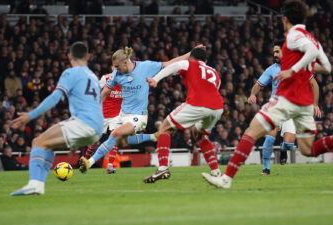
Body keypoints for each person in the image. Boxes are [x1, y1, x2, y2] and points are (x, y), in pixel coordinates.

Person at [202, 0, 332, 189]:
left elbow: (309, 54)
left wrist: (292, 70)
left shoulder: (294, 35)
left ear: (285, 19)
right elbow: (327, 67)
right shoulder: (312, 39)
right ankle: (258, 169)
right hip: (303, 103)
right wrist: (305, 67)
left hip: (287, 98)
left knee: (251, 132)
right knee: (308, 149)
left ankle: (226, 179)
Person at [79, 46, 202, 173]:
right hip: (122, 114)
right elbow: (104, 92)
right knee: (119, 141)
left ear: (125, 62)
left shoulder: (146, 67)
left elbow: (169, 63)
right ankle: (153, 137)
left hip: (138, 115)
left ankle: (89, 162)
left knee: (114, 134)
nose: (114, 69)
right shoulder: (116, 74)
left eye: (116, 66)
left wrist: (191, 53)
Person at [10, 42, 103, 195]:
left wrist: (30, 116)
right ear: (88, 57)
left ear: (69, 56)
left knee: (38, 142)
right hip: (96, 127)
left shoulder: (70, 73)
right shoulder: (93, 77)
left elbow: (55, 98)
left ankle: (35, 184)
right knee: (47, 145)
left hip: (84, 122)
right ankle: (38, 186)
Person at [142, 47, 223, 183]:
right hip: (217, 107)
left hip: (197, 103)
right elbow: (214, 89)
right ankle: (216, 172)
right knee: (198, 134)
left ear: (191, 57)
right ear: (206, 60)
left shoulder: (189, 63)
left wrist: (155, 79)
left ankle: (162, 168)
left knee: (165, 127)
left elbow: (174, 66)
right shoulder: (215, 72)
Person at [248, 40, 321, 175]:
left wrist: (315, 104)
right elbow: (258, 84)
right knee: (270, 137)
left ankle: (283, 149)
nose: (275, 54)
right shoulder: (271, 69)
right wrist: (253, 94)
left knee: (289, 144)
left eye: (277, 51)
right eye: (274, 51)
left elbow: (314, 85)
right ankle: (266, 168)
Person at [84, 69, 123, 174]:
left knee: (114, 139)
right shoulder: (105, 79)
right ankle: (84, 162)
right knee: (94, 143)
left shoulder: (127, 81)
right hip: (102, 115)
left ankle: (110, 166)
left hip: (116, 116)